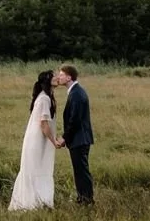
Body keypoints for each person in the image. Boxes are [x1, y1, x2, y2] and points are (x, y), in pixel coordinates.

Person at [8, 68, 65, 211]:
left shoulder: (46, 97)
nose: (57, 78)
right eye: (53, 77)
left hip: (38, 140)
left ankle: (36, 202)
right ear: (47, 81)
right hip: (37, 141)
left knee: (37, 169)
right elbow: (44, 124)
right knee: (37, 169)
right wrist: (54, 142)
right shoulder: (44, 99)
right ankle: (32, 203)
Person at [57, 63, 94, 204]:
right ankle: (83, 198)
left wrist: (64, 138)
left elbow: (75, 120)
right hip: (79, 139)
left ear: (68, 77)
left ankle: (86, 200)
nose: (59, 77)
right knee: (80, 170)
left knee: (81, 171)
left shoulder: (77, 94)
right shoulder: (75, 92)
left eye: (61, 75)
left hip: (79, 139)